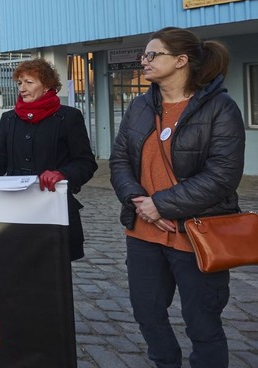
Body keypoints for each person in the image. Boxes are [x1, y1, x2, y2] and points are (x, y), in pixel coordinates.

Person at [109, 27, 245, 368]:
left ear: (181, 61)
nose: (145, 60)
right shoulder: (140, 106)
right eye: (144, 55)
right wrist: (139, 201)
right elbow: (120, 160)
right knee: (147, 314)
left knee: (203, 325)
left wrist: (162, 204)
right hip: (143, 232)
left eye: (153, 54)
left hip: (196, 236)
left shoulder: (220, 108)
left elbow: (222, 175)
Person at [0, 58, 97, 261]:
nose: (22, 88)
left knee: (52, 277)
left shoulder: (69, 117)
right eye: (20, 83)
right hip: (14, 210)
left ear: (47, 85)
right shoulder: (9, 119)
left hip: (52, 209)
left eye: (29, 82)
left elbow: (85, 162)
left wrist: (62, 174)